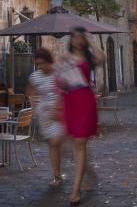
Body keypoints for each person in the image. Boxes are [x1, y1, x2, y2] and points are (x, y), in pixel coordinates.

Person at [59, 28, 100, 206]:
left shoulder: (89, 58)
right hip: (70, 101)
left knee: (79, 143)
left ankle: (75, 190)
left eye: (80, 36)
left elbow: (102, 58)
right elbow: (59, 81)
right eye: (74, 36)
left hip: (85, 101)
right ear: (71, 39)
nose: (77, 39)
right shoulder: (64, 58)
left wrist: (91, 40)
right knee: (74, 143)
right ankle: (86, 170)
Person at [27, 48, 66, 186]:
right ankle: (57, 176)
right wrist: (34, 103)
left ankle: (65, 167)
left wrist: (59, 105)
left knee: (55, 142)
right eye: (38, 64)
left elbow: (67, 91)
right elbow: (30, 92)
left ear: (49, 61)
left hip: (59, 113)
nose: (41, 67)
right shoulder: (34, 76)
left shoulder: (59, 73)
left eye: (43, 63)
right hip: (44, 116)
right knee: (53, 145)